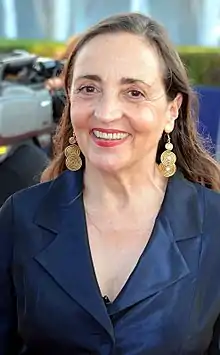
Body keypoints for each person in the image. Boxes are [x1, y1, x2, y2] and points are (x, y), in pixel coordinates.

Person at [0, 12, 220, 355]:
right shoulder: (20, 217)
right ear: (69, 100)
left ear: (172, 110)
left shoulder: (215, 225)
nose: (105, 113)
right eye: (89, 89)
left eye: (134, 92)